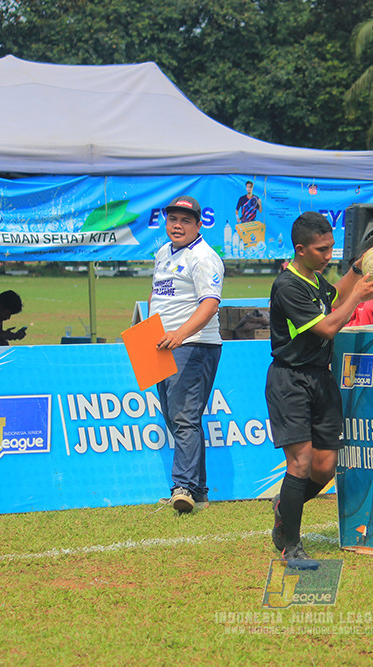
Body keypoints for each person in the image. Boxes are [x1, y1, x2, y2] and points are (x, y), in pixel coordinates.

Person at [267, 211, 373, 565]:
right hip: (290, 381)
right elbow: (328, 326)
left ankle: (283, 506)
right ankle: (292, 546)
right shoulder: (286, 286)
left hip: (321, 378)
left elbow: (334, 296)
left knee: (324, 466)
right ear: (300, 249)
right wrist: (359, 295)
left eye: (332, 247)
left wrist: (358, 270)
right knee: (300, 463)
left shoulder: (315, 279)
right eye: (322, 249)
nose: (328, 255)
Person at [149, 196, 224, 514]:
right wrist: (145, 332)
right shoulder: (163, 252)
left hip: (193, 345)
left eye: (185, 221)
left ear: (198, 224)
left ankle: (182, 487)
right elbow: (156, 295)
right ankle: (199, 490)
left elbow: (210, 303)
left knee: (184, 418)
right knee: (175, 417)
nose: (177, 226)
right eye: (172, 220)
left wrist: (181, 335)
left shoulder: (204, 257)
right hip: (159, 343)